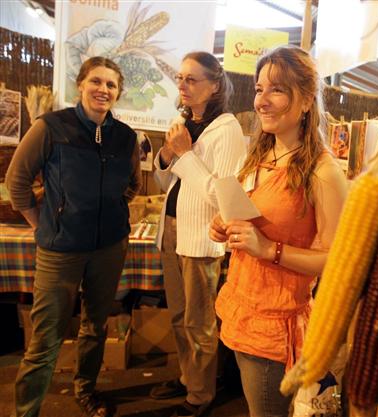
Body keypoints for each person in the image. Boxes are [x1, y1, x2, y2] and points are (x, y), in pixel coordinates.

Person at [210, 45, 348, 417]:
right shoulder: (260, 153)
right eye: (258, 89)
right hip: (241, 308)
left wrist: (269, 249)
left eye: (276, 90)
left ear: (305, 101)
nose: (261, 101)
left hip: (275, 328)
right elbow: (254, 218)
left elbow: (338, 260)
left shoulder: (324, 172)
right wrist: (225, 224)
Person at [6, 56, 142, 417]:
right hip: (61, 250)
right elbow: (16, 182)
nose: (104, 89)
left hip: (109, 247)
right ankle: (27, 410)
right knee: (46, 337)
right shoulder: (51, 127)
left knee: (95, 326)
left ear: (118, 92)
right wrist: (43, 224)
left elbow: (132, 186)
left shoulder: (126, 137)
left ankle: (86, 391)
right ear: (81, 85)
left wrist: (112, 210)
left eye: (111, 85)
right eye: (96, 81)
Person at [150, 51, 246, 417]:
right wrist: (165, 156)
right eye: (180, 78)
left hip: (202, 238)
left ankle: (201, 395)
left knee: (200, 322)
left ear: (215, 85)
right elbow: (166, 182)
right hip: (171, 230)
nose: (183, 85)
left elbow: (221, 197)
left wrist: (185, 155)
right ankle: (188, 376)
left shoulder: (228, 130)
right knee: (178, 316)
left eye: (192, 79)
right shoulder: (183, 122)